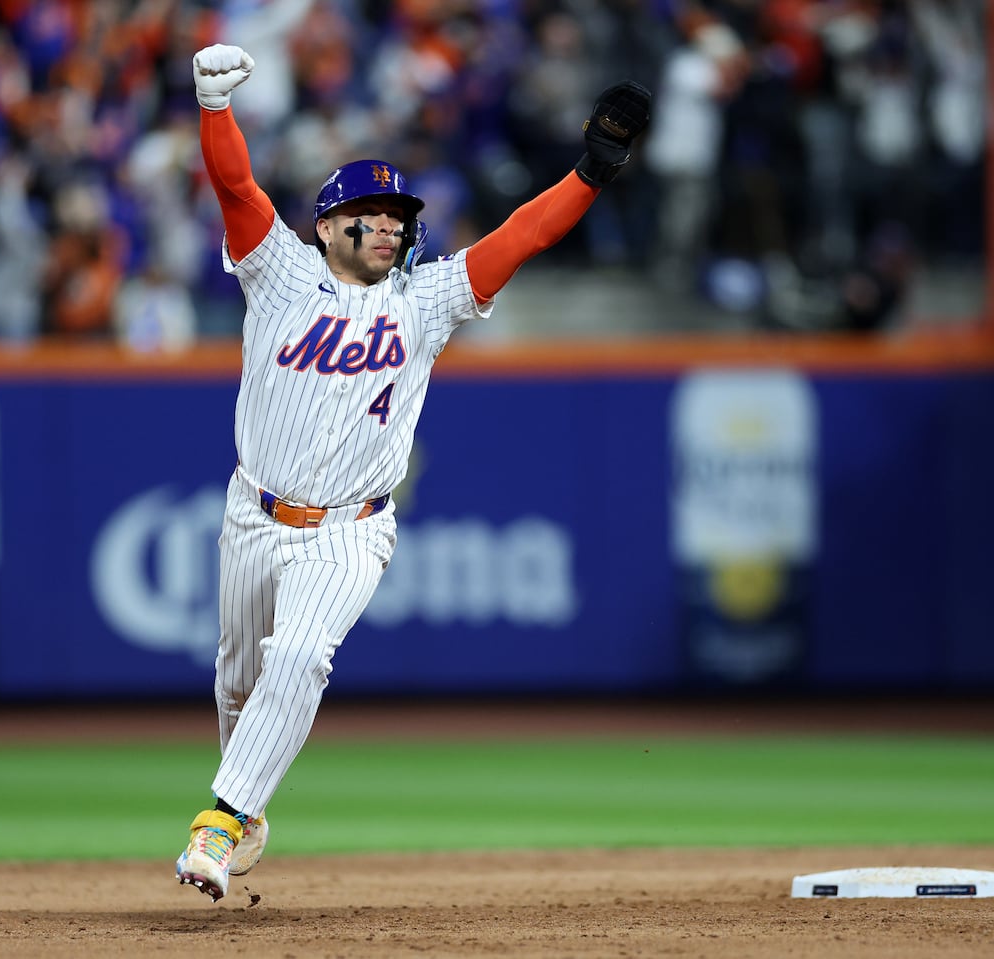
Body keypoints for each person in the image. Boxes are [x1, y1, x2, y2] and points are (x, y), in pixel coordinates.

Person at [175, 42, 651, 902]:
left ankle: (220, 819)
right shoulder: (279, 272)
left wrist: (589, 172)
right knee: (239, 684)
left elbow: (521, 235)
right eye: (368, 209)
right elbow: (239, 190)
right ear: (325, 225)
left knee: (303, 658)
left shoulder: (423, 300)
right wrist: (215, 112)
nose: (389, 222)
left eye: (398, 211)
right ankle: (247, 802)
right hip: (253, 515)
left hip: (353, 527)